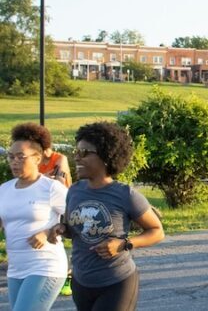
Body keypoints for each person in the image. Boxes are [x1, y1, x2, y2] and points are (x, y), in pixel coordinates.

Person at [48, 121, 164, 311]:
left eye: (84, 153)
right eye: (76, 152)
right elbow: (73, 228)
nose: (77, 158)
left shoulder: (125, 194)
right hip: (81, 282)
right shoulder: (75, 191)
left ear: (106, 157)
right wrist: (61, 229)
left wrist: (123, 244)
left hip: (116, 282)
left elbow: (157, 231)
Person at [1, 123, 69, 311]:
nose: (14, 161)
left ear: (38, 158)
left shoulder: (51, 188)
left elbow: (76, 219)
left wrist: (48, 231)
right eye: (11, 156)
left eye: (20, 157)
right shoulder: (4, 190)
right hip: (15, 269)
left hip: (46, 266)